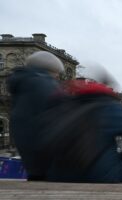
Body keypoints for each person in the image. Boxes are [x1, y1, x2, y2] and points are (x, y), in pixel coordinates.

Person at [43, 61, 122, 183]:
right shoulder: (109, 106)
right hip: (101, 177)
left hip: (60, 177)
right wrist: (121, 156)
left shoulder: (64, 104)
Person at [7, 51, 65, 181]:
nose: (57, 77)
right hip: (50, 161)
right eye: (56, 73)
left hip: (33, 161)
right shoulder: (44, 85)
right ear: (49, 70)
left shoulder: (23, 85)